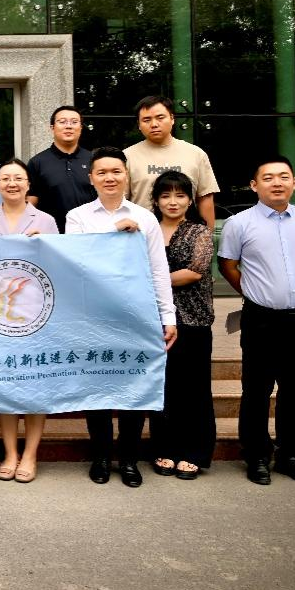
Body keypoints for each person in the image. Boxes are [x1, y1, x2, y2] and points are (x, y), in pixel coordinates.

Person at [65, 147, 177, 488]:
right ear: (91, 178)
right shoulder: (77, 217)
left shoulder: (146, 218)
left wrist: (167, 315)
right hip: (92, 316)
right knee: (96, 385)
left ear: (126, 175)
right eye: (102, 172)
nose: (109, 178)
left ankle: (129, 459)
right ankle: (101, 457)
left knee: (134, 386)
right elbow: (76, 263)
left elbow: (158, 271)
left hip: (136, 314)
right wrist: (115, 235)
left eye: (116, 171)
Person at [219, 156, 295, 487]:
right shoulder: (238, 223)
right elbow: (228, 266)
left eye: (284, 176)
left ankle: (290, 456)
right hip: (262, 321)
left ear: (294, 183)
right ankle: (256, 456)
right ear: (254, 185)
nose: (277, 183)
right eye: (268, 177)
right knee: (256, 390)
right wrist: (256, 293)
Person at [0, 159, 57, 483]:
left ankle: (30, 454)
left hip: (37, 313)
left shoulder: (46, 220)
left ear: (28, 184)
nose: (11, 183)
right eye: (5, 178)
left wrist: (45, 244)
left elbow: (60, 266)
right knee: (5, 384)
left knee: (36, 385)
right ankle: (10, 452)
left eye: (18, 178)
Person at [147, 171, 216, 481]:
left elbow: (194, 272)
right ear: (156, 200)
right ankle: (164, 448)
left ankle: (194, 452)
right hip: (155, 320)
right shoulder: (146, 231)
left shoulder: (199, 232)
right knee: (163, 388)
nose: (172, 202)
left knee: (194, 388)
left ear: (190, 200)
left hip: (193, 320)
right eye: (165, 196)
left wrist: (149, 281)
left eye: (180, 195)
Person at [124, 95, 220, 230]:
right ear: (139, 125)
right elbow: (120, 202)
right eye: (146, 120)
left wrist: (206, 236)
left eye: (160, 117)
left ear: (172, 118)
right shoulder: (127, 157)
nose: (154, 124)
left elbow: (205, 198)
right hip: (141, 234)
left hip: (186, 235)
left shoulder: (196, 154)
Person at [26, 105, 96, 233]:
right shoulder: (37, 162)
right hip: (51, 235)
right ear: (52, 128)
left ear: (81, 128)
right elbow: (31, 203)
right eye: (62, 122)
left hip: (89, 233)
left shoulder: (94, 160)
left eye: (74, 122)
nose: (68, 126)